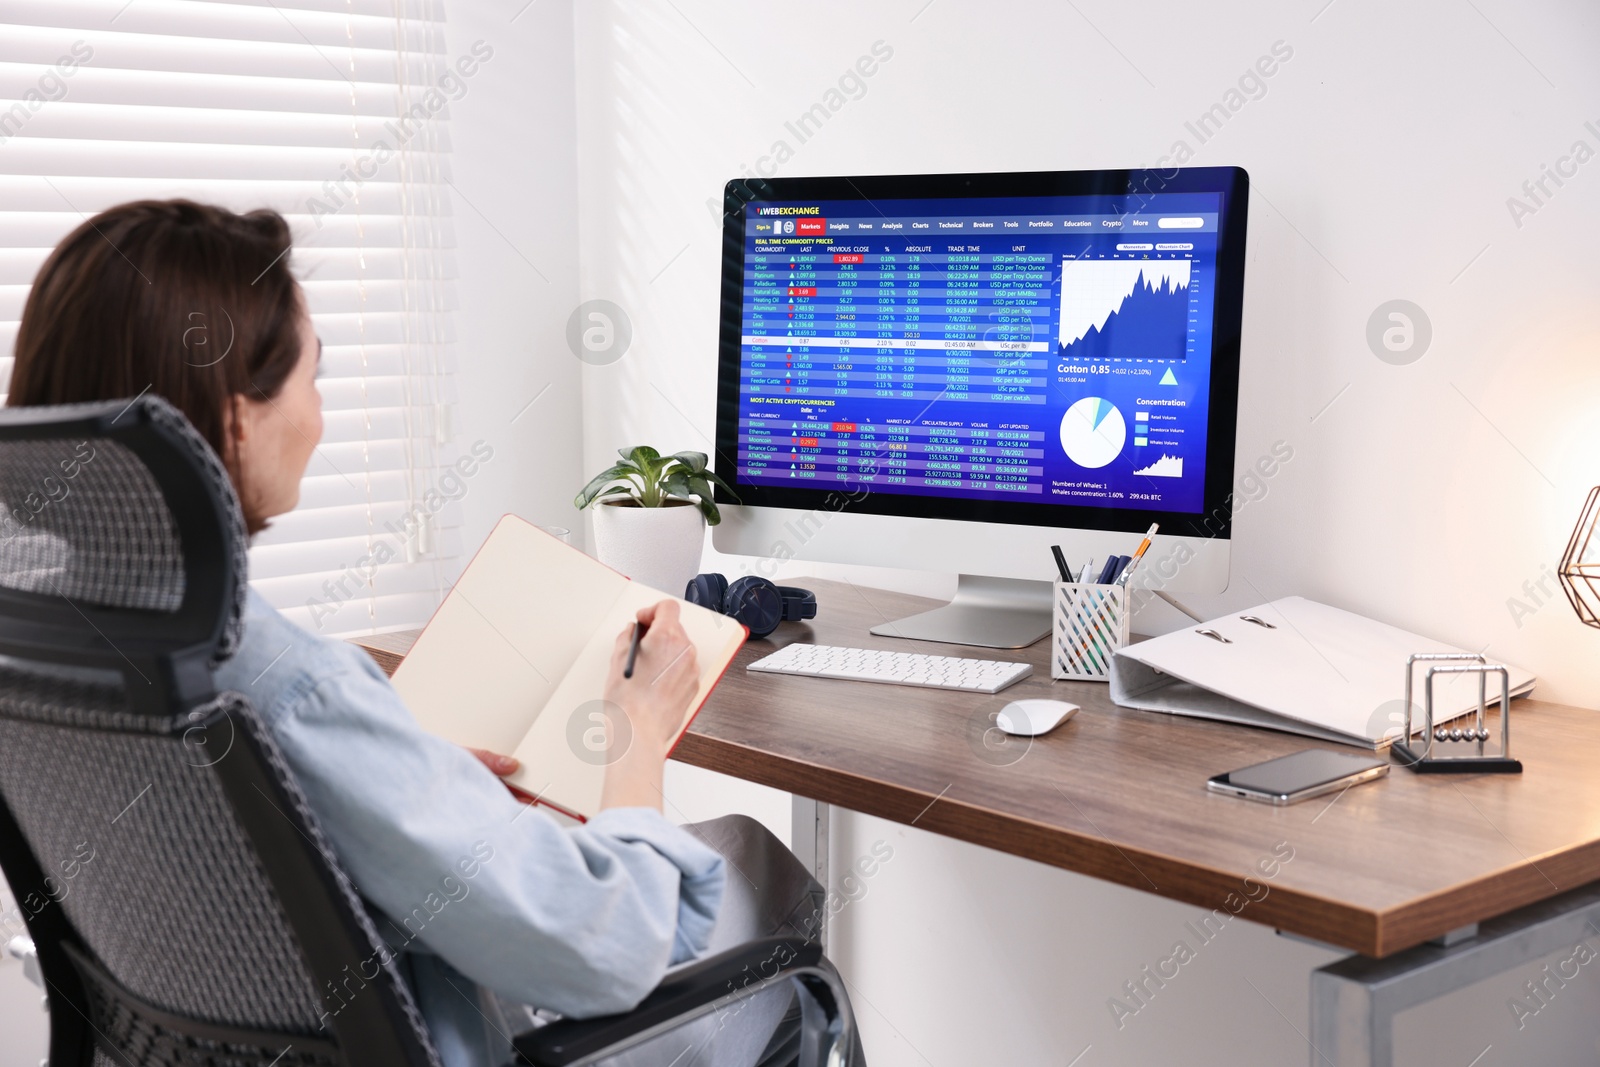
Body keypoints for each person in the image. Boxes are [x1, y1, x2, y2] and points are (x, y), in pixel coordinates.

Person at [7, 199, 859, 1067]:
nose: (319, 418)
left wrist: (414, 779)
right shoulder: (291, 689)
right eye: (313, 378)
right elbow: (609, 952)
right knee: (757, 877)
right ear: (234, 417)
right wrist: (634, 736)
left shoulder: (45, 643)